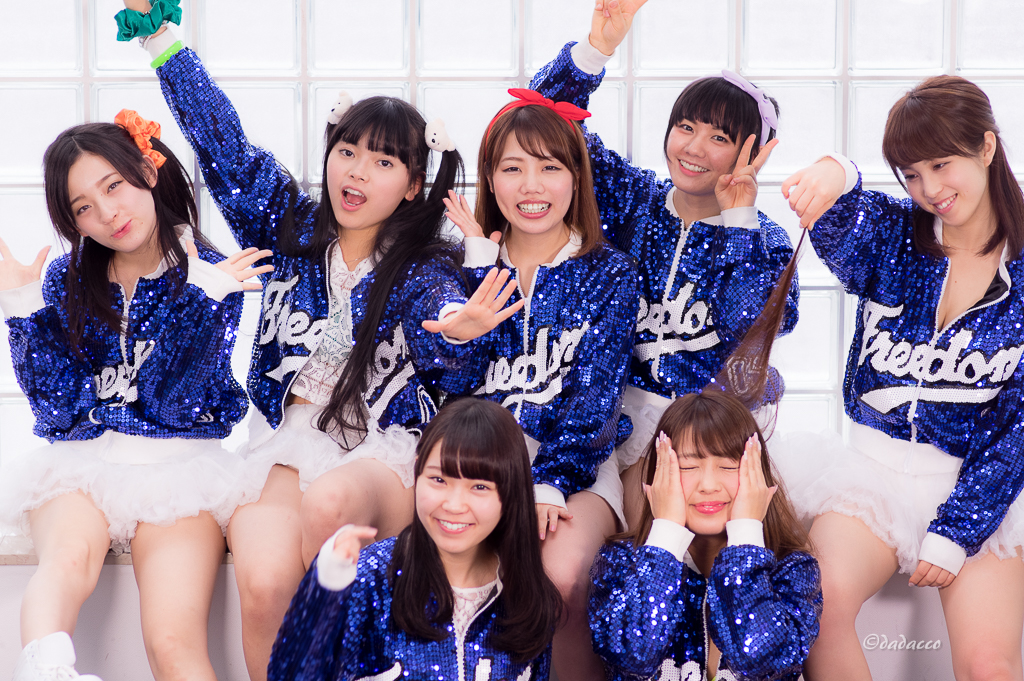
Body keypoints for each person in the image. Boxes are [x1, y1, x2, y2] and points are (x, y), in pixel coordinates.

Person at [113, 3, 521, 678]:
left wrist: (461, 327)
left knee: (330, 506)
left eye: (383, 161)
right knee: (265, 584)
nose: (356, 171)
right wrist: (160, 39)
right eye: (347, 152)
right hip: (282, 444)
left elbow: (452, 341)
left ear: (414, 185)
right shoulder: (288, 226)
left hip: (380, 453)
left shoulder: (427, 267)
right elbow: (226, 148)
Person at [0, 110, 268, 681]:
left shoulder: (210, 273)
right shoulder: (67, 278)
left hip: (182, 471)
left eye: (113, 186)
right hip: (82, 464)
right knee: (67, 561)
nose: (106, 214)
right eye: (82, 208)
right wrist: (23, 309)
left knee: (171, 640)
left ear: (147, 171)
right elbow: (56, 409)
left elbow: (173, 403)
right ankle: (45, 672)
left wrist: (201, 300)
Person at [778, 75, 1024, 681]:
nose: (930, 190)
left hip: (979, 488)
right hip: (873, 474)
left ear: (987, 147)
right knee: (816, 608)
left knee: (988, 665)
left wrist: (956, 531)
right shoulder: (893, 237)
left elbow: (1016, 429)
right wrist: (838, 168)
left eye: (942, 165)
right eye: (911, 174)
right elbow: (837, 217)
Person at [528, 0, 798, 530]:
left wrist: (737, 219)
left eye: (719, 138)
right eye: (685, 127)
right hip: (614, 422)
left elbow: (753, 328)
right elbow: (542, 121)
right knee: (634, 532)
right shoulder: (633, 197)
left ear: (753, 154)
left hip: (714, 435)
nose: (693, 148)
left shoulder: (762, 238)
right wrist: (596, 49)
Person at [440, 88, 639, 681]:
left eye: (550, 168)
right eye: (513, 169)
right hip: (479, 464)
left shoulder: (610, 271)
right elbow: (454, 390)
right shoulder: (460, 267)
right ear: (490, 179)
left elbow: (597, 398)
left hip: (578, 465)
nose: (532, 186)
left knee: (560, 578)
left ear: (576, 178)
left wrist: (552, 481)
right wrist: (478, 272)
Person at [590, 225, 821, 681]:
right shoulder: (621, 563)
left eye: (728, 465)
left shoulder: (792, 570)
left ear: (756, 473)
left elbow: (763, 661)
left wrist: (747, 536)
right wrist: (666, 534)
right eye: (688, 466)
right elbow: (631, 653)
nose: (709, 485)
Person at [267, 398, 562, 681]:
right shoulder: (371, 577)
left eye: (480, 487)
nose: (454, 505)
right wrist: (322, 593)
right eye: (439, 480)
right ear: (417, 472)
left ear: (511, 492)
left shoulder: (528, 599)